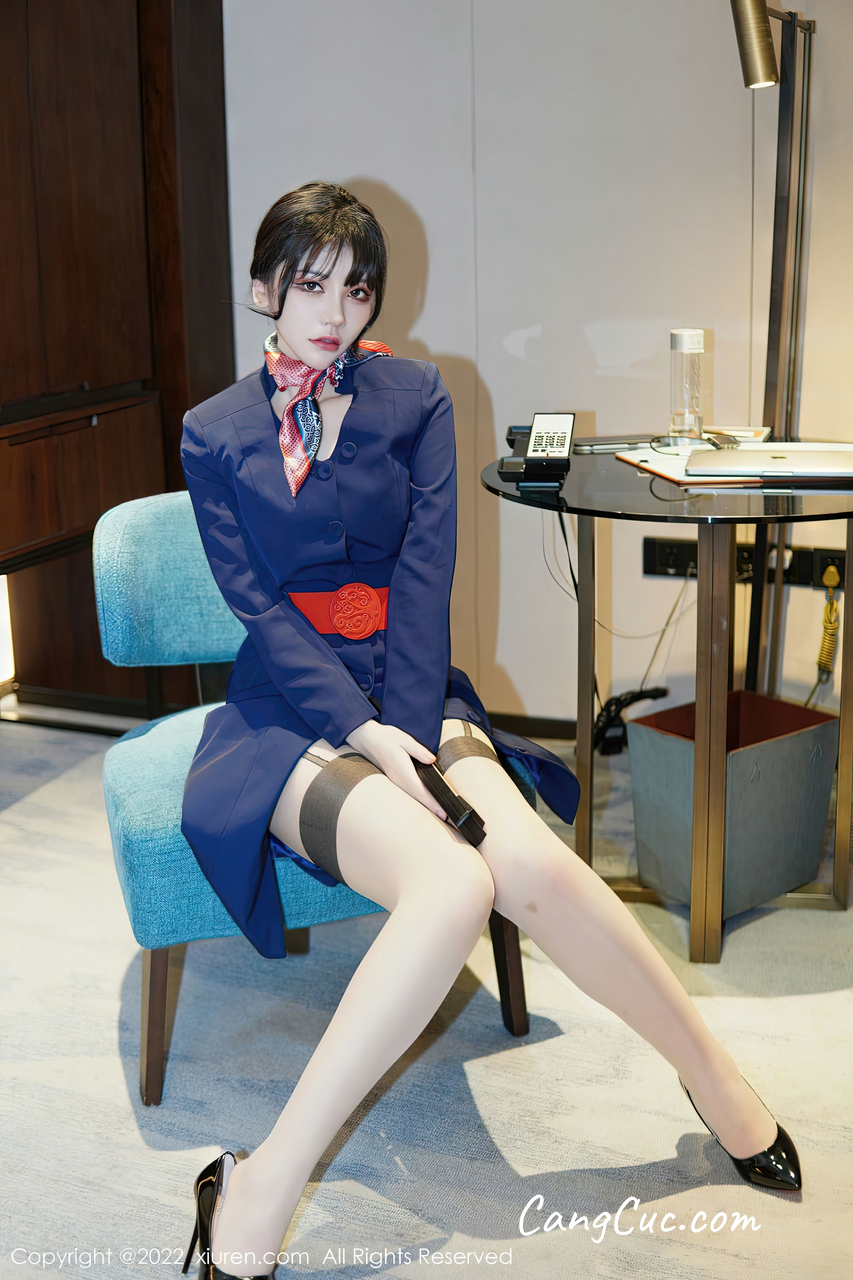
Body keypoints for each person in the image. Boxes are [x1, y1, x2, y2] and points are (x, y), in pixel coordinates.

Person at [179, 183, 800, 1280]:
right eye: (312, 285)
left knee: (528, 861)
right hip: (287, 711)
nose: (336, 313)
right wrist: (363, 737)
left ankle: (711, 1075)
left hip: (415, 689)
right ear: (265, 288)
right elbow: (259, 612)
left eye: (357, 289)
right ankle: (261, 1181)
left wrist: (407, 730)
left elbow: (426, 579)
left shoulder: (416, 396)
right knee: (452, 885)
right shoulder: (211, 432)